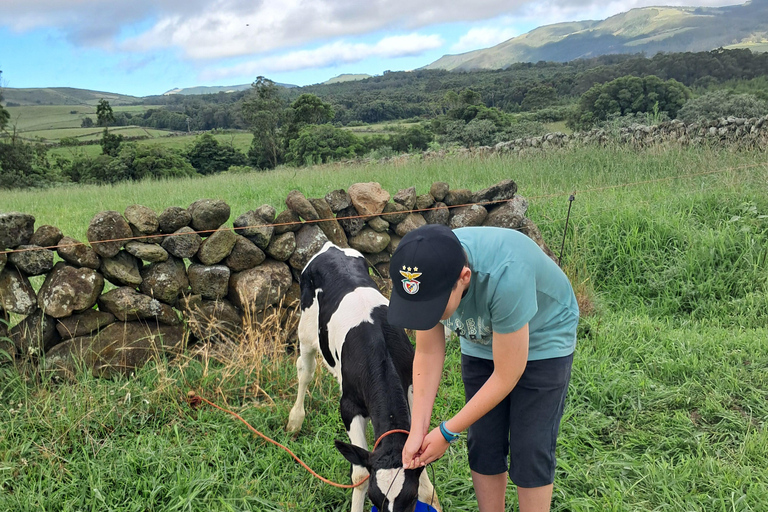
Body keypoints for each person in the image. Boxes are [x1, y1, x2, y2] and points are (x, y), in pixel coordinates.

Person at [387, 224, 578, 512]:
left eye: (433, 308)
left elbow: (507, 374)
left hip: (544, 337)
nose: (426, 316)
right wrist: (418, 429)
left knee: (531, 447)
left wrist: (447, 431)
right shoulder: (427, 270)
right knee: (483, 441)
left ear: (464, 277)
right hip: (481, 336)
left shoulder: (506, 274)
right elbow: (427, 352)